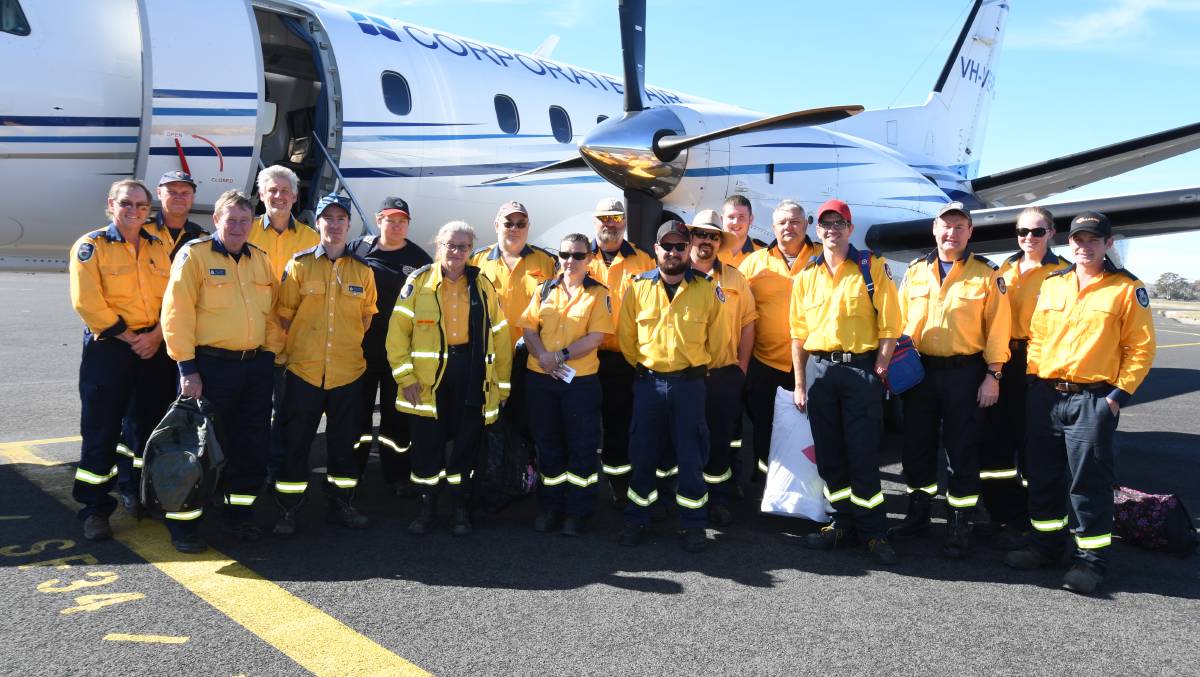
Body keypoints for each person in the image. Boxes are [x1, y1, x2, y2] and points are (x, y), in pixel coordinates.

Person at [1006, 211, 1156, 595]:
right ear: (1068, 243)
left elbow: (1140, 349)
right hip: (1044, 395)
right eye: (1078, 239)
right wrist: (1033, 379)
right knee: (1042, 477)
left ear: (1108, 244)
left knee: (1087, 483)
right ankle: (1047, 547)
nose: (1084, 246)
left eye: (1093, 239)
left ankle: (1091, 561)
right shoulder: (1055, 284)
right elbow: (1037, 335)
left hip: (1092, 399)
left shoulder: (1126, 288)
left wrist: (1117, 398)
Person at [162, 190, 284, 552]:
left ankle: (240, 517)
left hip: (254, 369)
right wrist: (187, 367)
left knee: (250, 446)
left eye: (245, 221)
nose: (237, 227)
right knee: (196, 451)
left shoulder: (260, 260)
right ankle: (184, 526)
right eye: (230, 220)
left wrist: (269, 354)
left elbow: (275, 314)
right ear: (216, 220)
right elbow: (176, 313)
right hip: (208, 368)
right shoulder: (194, 256)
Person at [890, 201, 1011, 559]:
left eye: (959, 227)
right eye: (945, 226)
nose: (951, 233)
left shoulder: (987, 274)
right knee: (916, 446)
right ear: (934, 229)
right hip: (919, 372)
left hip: (966, 372)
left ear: (970, 232)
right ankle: (918, 515)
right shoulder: (914, 272)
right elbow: (898, 324)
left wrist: (994, 375)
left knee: (962, 449)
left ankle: (960, 523)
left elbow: (998, 329)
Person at [789, 199, 900, 565]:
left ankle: (873, 533)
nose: (832, 230)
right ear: (816, 230)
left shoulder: (872, 267)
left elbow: (889, 326)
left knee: (863, 455)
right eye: (825, 224)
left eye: (839, 223)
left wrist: (880, 367)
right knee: (831, 457)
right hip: (821, 372)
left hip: (859, 371)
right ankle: (841, 524)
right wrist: (801, 383)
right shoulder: (806, 276)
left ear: (850, 229)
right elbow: (798, 335)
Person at [387, 221, 512, 536]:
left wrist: (501, 385)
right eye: (450, 245)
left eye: (463, 247)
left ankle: (460, 508)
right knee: (426, 447)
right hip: (429, 382)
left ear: (471, 250)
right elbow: (397, 334)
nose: (456, 252)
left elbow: (500, 334)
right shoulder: (417, 283)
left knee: (465, 447)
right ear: (437, 246)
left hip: (470, 376)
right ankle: (426, 507)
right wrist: (406, 378)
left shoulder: (482, 284)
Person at [68, 179, 174, 544]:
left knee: (146, 428)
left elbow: (172, 298)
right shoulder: (90, 246)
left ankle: (142, 495)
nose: (134, 211)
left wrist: (156, 336)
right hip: (112, 347)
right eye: (126, 204)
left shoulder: (159, 246)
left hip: (153, 347)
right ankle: (95, 508)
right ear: (111, 205)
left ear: (148, 211)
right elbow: (87, 301)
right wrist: (132, 338)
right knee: (101, 429)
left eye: (141, 206)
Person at [271, 194, 378, 536]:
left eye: (340, 219)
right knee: (295, 443)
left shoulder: (364, 272)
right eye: (327, 218)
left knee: (344, 445)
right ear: (317, 223)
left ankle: (342, 504)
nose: (334, 224)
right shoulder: (298, 266)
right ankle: (288, 509)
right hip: (304, 370)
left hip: (348, 372)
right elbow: (284, 316)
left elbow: (365, 318)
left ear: (349, 225)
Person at [617, 221, 726, 552]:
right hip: (649, 384)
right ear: (656, 249)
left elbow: (720, 344)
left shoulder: (707, 290)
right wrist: (653, 369)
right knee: (643, 453)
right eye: (668, 246)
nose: (674, 252)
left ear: (688, 249)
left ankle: (694, 524)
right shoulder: (637, 288)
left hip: (689, 386)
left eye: (681, 246)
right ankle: (637, 518)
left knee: (691, 456)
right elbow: (627, 341)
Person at [112, 169, 204, 515]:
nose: (179, 197)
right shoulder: (142, 232)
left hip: (177, 340)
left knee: (173, 417)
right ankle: (130, 487)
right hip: (145, 340)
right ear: (159, 196)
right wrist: (150, 336)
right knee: (137, 418)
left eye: (186, 191)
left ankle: (165, 485)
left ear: (193, 197)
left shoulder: (199, 238)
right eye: (172, 191)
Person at [982, 207, 1069, 549]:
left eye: (1036, 231)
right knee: (995, 445)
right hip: (1003, 361)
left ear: (1051, 233)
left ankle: (1038, 521)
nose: (1028, 238)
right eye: (1022, 231)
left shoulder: (1064, 273)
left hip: (1040, 365)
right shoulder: (1005, 269)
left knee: (1037, 448)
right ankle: (1002, 514)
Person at [519, 233, 615, 535]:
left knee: (582, 447)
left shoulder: (599, 294)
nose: (570, 261)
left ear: (589, 259)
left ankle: (578, 512)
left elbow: (596, 337)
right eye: (564, 255)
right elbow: (529, 329)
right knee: (547, 446)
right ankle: (550, 508)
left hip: (580, 384)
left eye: (577, 255)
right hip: (541, 379)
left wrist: (558, 356)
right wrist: (543, 358)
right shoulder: (544, 289)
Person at [347, 197, 432, 497]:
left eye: (401, 221)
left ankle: (396, 476)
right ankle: (351, 473)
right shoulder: (357, 250)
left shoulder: (421, 261)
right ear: (378, 219)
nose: (395, 226)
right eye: (389, 220)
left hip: (399, 354)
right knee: (357, 416)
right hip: (360, 351)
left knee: (396, 421)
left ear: (408, 224)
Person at [737, 200, 818, 483]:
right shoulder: (754, 263)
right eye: (782, 222)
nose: (789, 227)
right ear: (773, 227)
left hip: (813, 364)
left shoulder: (823, 258)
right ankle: (766, 482)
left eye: (795, 221)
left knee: (813, 428)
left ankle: (808, 485)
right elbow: (738, 311)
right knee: (764, 425)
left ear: (806, 224)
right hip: (766, 362)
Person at [248, 165, 319, 481]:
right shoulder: (243, 230)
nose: (278, 196)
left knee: (288, 415)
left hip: (292, 344)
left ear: (295, 196)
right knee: (252, 415)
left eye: (285, 191)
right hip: (251, 341)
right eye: (272, 190)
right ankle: (251, 468)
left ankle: (279, 472)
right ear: (261, 195)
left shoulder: (311, 239)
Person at [687, 209, 756, 526]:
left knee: (719, 442)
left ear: (719, 242)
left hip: (723, 376)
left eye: (713, 236)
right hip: (684, 376)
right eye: (700, 234)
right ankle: (684, 499)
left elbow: (747, 326)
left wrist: (740, 369)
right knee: (683, 438)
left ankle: (716, 501)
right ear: (691, 237)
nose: (706, 240)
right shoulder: (673, 274)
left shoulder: (735, 279)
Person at [585, 197, 655, 507]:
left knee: (618, 425)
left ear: (624, 221)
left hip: (624, 359)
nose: (609, 223)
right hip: (583, 356)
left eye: (615, 217)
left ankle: (618, 483)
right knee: (582, 424)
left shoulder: (643, 261)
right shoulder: (579, 257)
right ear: (595, 220)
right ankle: (581, 489)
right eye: (604, 217)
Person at [470, 201, 558, 444]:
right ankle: (488, 475)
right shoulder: (476, 261)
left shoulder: (546, 261)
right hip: (489, 356)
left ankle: (524, 475)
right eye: (508, 223)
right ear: (496, 225)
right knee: (484, 423)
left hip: (529, 358)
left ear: (528, 227)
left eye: (521, 224)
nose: (514, 229)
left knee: (527, 423)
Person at [717, 195, 767, 268]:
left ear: (750, 219)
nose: (736, 222)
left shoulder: (764, 256)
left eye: (741, 217)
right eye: (731, 217)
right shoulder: (710, 250)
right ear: (722, 219)